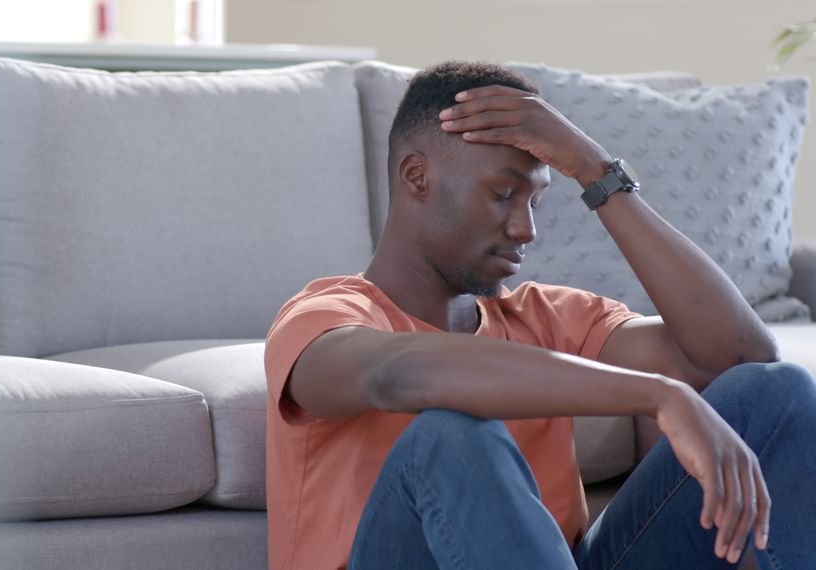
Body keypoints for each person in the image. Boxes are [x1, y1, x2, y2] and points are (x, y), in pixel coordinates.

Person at [263, 60, 816, 569]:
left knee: (776, 391)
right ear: (416, 176)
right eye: (503, 193)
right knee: (451, 434)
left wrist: (595, 171)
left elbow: (740, 354)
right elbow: (399, 375)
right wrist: (659, 394)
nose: (526, 229)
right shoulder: (324, 316)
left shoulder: (546, 316)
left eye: (535, 202)